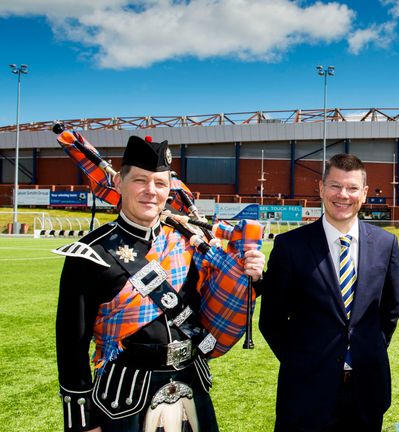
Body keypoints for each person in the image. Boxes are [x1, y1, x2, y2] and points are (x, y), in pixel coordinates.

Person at [55, 136, 265, 432]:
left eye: (160, 183)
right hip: (124, 395)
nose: (151, 191)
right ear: (119, 184)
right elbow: (71, 344)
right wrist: (83, 422)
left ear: (169, 190)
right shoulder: (91, 254)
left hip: (191, 381)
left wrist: (254, 272)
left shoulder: (189, 241)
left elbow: (226, 286)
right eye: (140, 181)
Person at [259, 153, 399, 431]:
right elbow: (272, 321)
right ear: (321, 188)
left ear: (364, 193)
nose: (343, 195)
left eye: (351, 187)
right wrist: (304, 361)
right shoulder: (290, 246)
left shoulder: (386, 243)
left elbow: (389, 314)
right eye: (335, 186)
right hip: (306, 392)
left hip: (366, 390)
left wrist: (363, 353)